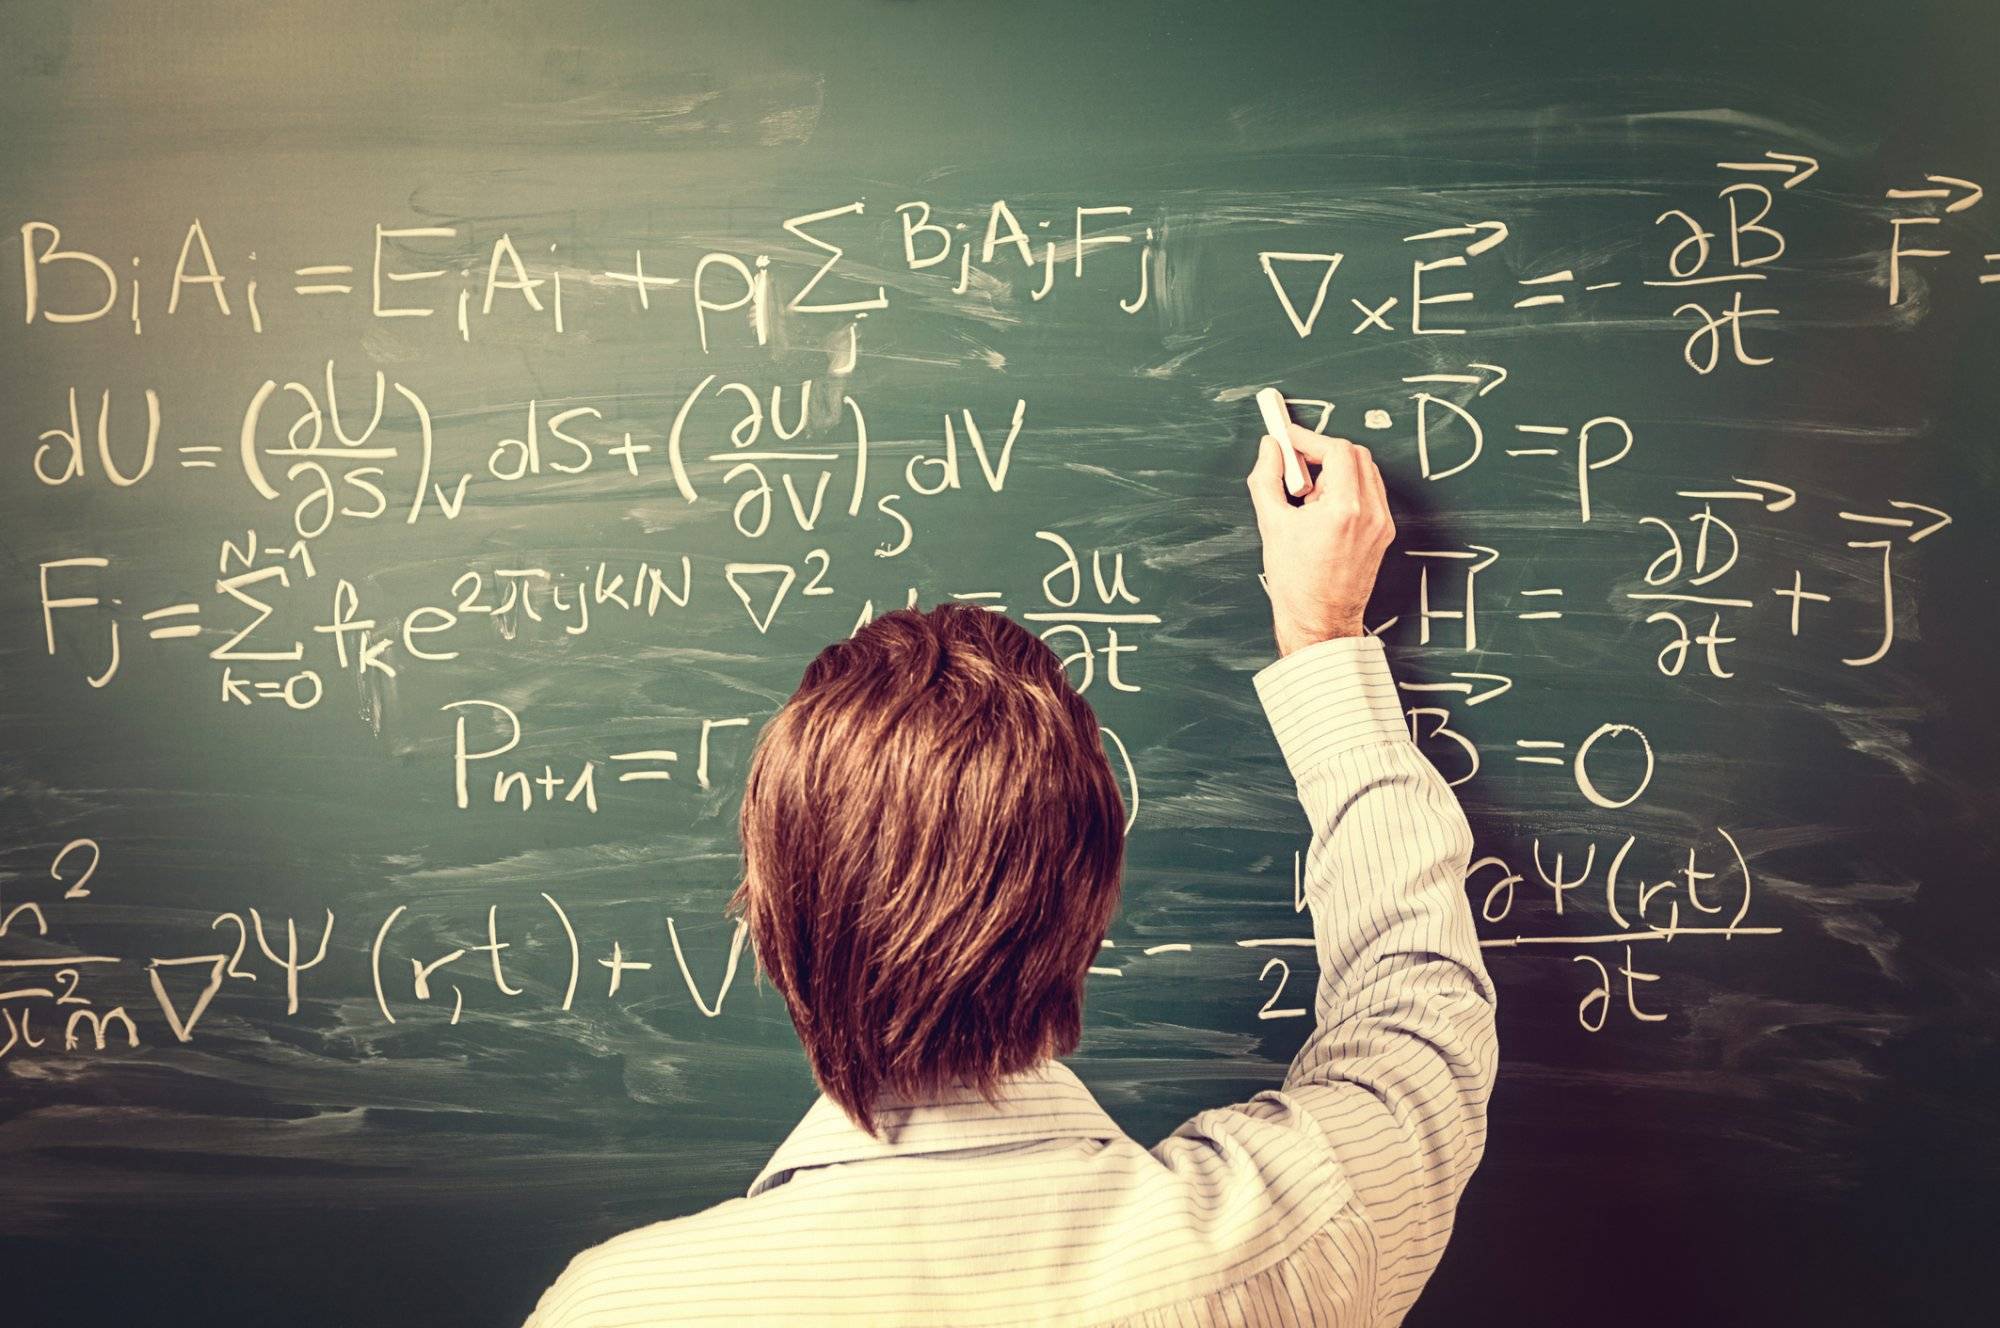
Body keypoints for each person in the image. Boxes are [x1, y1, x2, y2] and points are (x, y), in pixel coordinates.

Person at [522, 421, 1498, 1327]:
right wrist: (1321, 635)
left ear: (774, 931)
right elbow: (1417, 1014)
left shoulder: (617, 1307)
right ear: (1090, 906)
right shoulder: (1282, 1236)